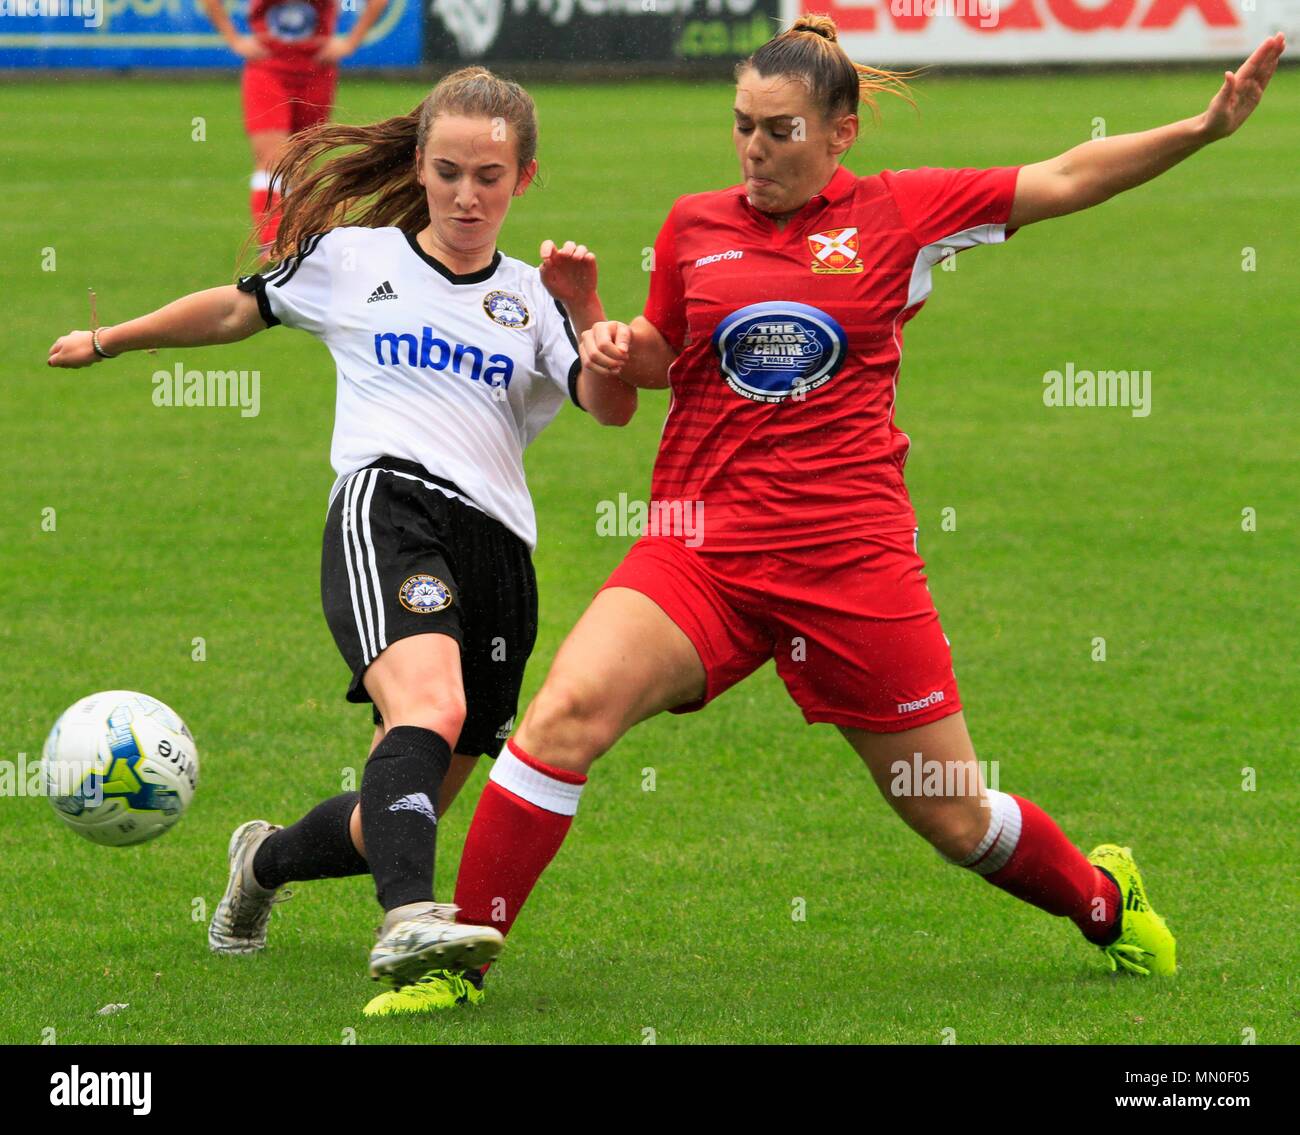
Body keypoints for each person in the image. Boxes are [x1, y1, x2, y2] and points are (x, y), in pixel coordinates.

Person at [440, 18, 1287, 1008]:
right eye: (741, 125)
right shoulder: (692, 224)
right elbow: (668, 364)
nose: (754, 149)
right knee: (560, 719)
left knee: (955, 819)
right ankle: (458, 966)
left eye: (780, 130)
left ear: (841, 134)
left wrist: (1202, 127)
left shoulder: (903, 214)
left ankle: (1104, 900)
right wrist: (598, 325)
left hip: (851, 566)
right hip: (699, 551)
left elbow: (1062, 176)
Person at [46, 67, 637, 1017]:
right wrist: (113, 339)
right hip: (388, 509)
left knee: (396, 811)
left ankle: (264, 858)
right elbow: (241, 305)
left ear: (525, 178)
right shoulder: (354, 259)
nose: (466, 195)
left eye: (490, 176)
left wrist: (588, 309)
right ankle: (407, 919)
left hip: (499, 557)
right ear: (418, 162)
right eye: (447, 171)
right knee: (430, 705)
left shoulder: (533, 298)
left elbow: (610, 405)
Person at [199, 0, 391, 258]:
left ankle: (294, 240)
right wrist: (234, 39)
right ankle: (270, 245)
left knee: (300, 163)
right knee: (272, 159)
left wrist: (350, 41)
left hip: (316, 71)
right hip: (268, 69)